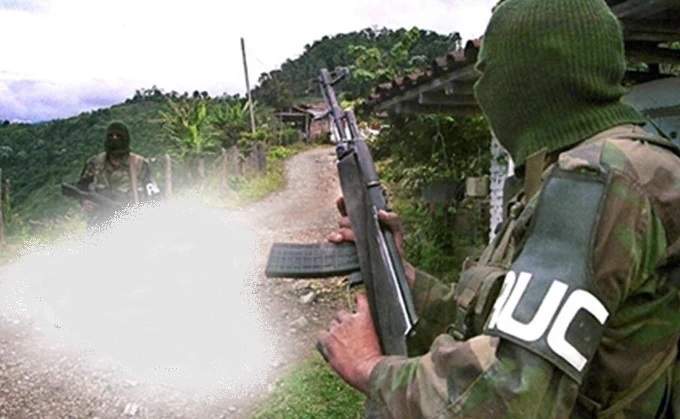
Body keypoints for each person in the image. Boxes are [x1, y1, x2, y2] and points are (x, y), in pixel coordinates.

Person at [319, 0, 680, 417]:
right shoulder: (604, 167)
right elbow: (502, 322)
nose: (482, 90)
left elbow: (509, 394)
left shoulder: (596, 179)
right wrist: (400, 273)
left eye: (488, 72)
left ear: (528, 77)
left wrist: (370, 369)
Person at [77, 121, 160, 226]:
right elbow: (82, 187)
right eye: (111, 136)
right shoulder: (95, 163)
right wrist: (85, 202)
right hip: (100, 221)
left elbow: (153, 194)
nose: (114, 138)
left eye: (118, 136)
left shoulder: (139, 164)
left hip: (132, 222)